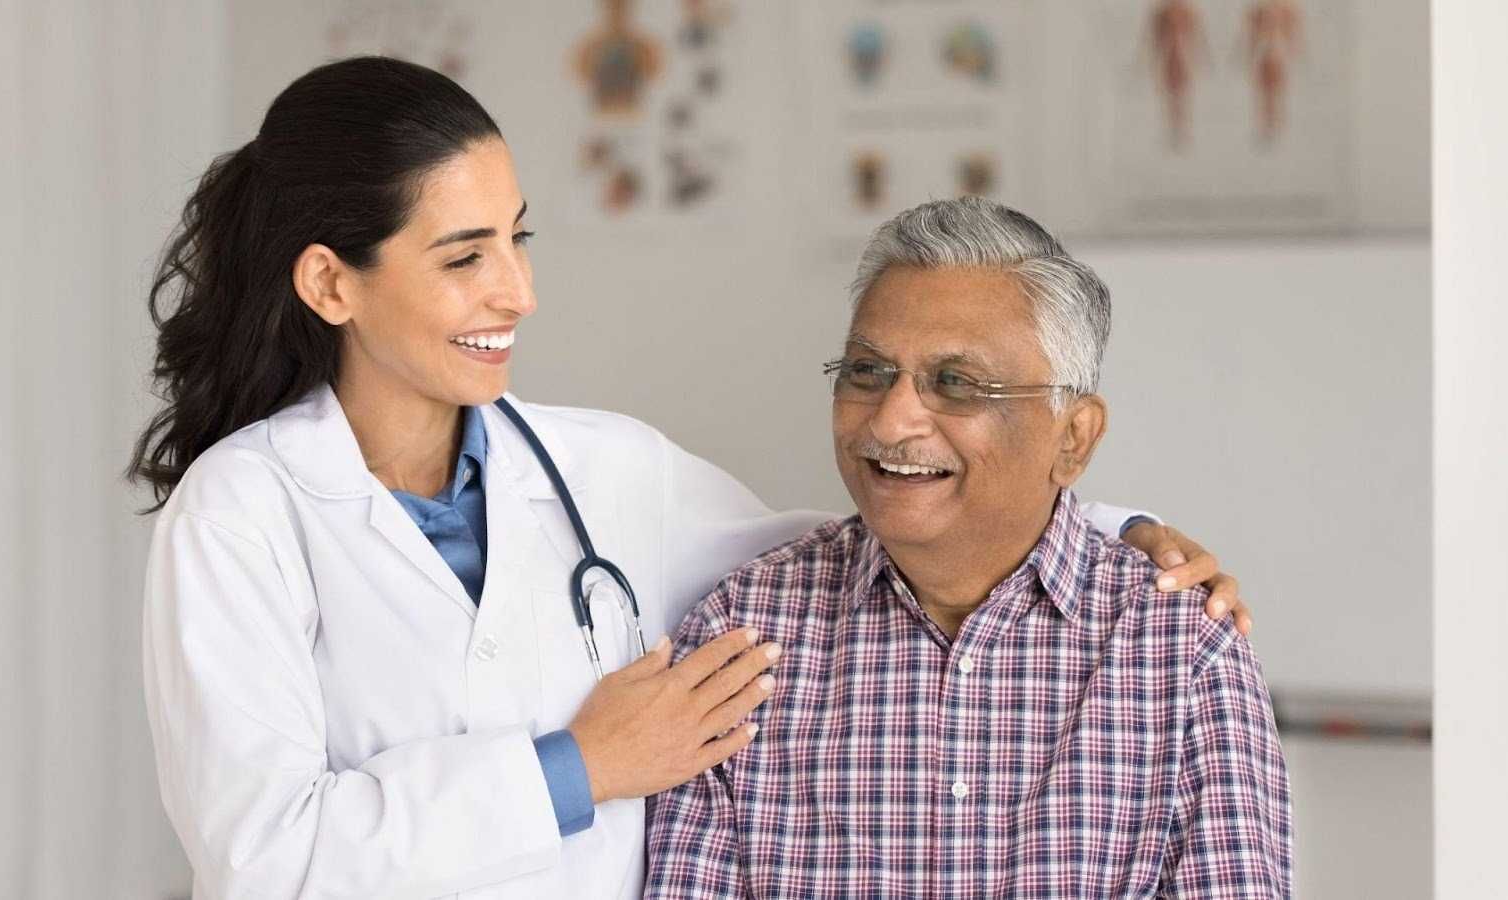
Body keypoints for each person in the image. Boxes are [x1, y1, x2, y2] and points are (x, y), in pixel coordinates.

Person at [132, 58, 1245, 899]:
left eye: (519, 240)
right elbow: (263, 859)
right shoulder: (239, 515)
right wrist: (581, 767)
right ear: (331, 284)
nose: (517, 292)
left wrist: (1117, 530)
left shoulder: (604, 469)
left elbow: (874, 529)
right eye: (465, 256)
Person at [646, 198, 1291, 898]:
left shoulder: (1182, 652)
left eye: (956, 383)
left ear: (1073, 438)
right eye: (867, 372)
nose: (892, 421)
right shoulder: (742, 636)